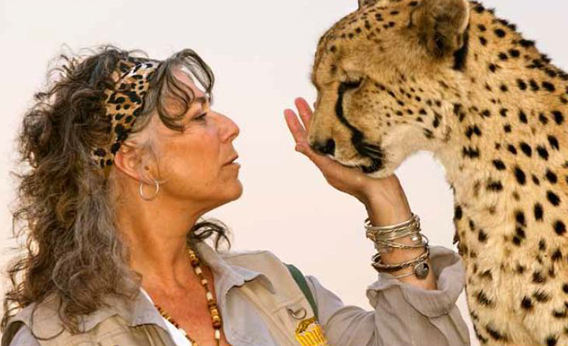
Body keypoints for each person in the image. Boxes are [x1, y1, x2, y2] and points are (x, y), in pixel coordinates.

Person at [1, 46, 470, 346]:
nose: (229, 127)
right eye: (200, 117)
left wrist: (383, 198)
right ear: (136, 162)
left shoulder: (278, 287)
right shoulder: (55, 336)